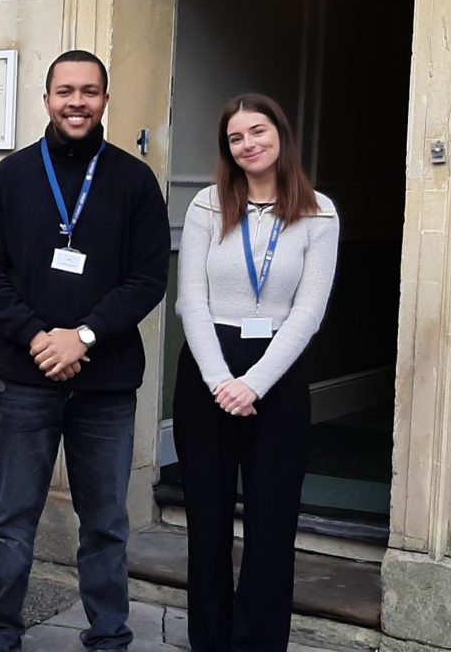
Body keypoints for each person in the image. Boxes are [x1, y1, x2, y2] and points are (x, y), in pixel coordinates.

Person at [0, 50, 170, 652]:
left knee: (105, 523)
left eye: (88, 91)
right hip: (24, 380)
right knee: (13, 519)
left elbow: (148, 278)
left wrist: (82, 336)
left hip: (106, 385)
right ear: (47, 99)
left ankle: (108, 635)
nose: (76, 102)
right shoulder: (10, 177)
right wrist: (38, 337)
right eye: (65, 91)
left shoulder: (134, 181)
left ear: (105, 99)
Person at [172, 93, 339, 652]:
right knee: (207, 522)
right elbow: (191, 301)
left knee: (272, 526)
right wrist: (222, 381)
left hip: (278, 375)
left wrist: (253, 385)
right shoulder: (206, 206)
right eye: (236, 137)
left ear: (280, 135)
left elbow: (308, 312)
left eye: (258, 131)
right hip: (208, 371)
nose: (248, 144)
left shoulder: (319, 213)